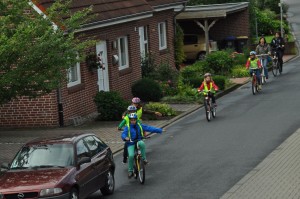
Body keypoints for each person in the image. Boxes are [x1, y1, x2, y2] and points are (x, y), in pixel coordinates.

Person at [121, 113, 163, 178]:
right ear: (129, 120)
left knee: (142, 143)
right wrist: (125, 138)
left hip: (138, 141)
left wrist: (160, 130)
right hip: (131, 143)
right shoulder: (127, 127)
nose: (133, 121)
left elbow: (149, 128)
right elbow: (123, 134)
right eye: (131, 120)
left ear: (136, 120)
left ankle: (144, 159)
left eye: (134, 120)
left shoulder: (139, 125)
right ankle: (130, 171)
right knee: (131, 156)